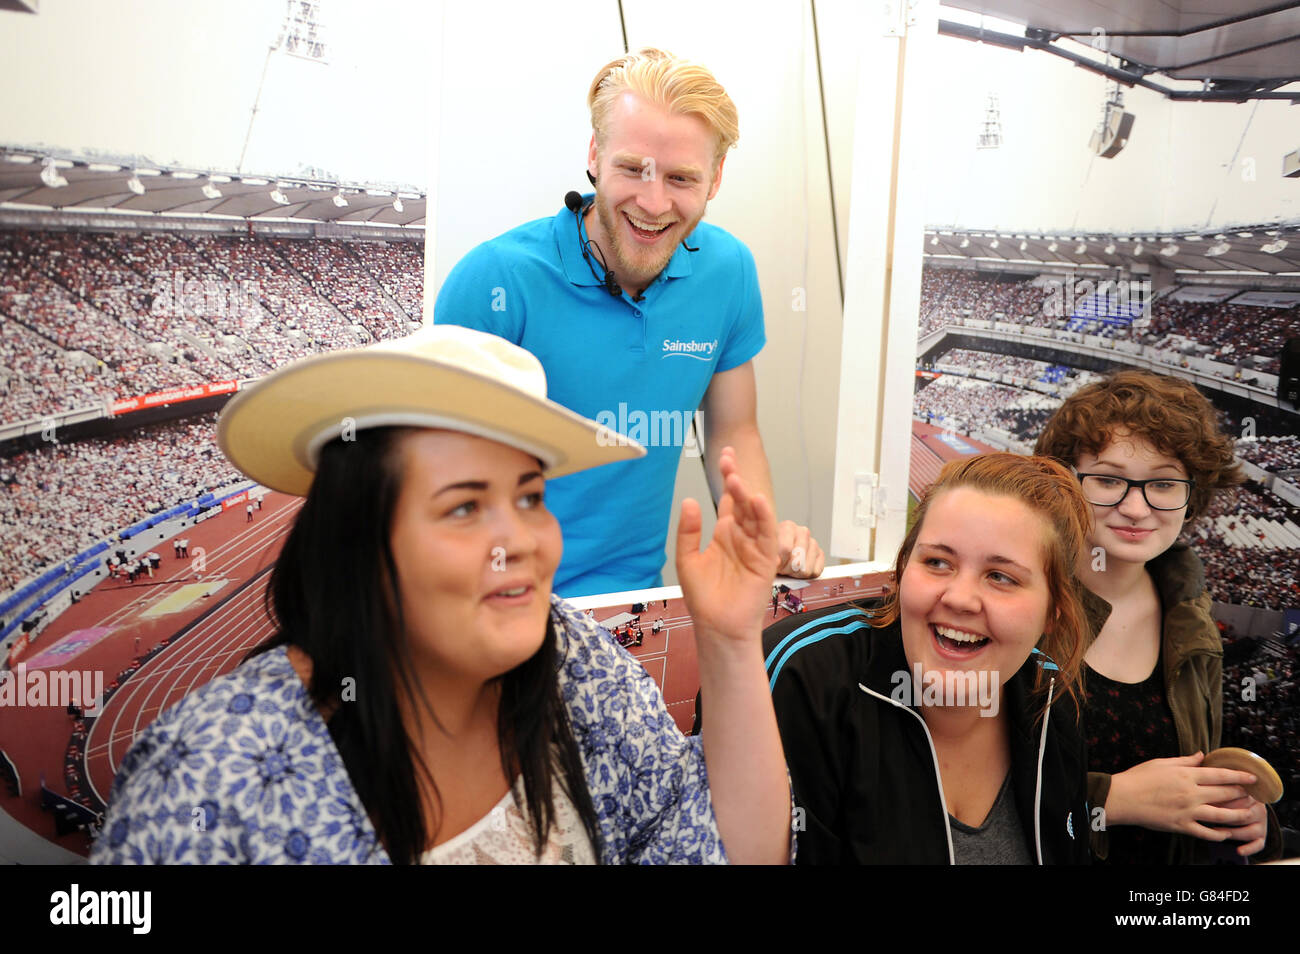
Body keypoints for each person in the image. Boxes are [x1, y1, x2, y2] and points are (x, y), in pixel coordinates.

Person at [91, 325, 791, 865]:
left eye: (529, 497)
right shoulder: (211, 771)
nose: (518, 540)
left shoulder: (574, 664)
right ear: (361, 538)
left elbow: (717, 847)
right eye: (464, 507)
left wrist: (729, 641)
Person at [433, 47, 823, 597]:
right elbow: (440, 475)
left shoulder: (730, 271)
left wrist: (757, 531)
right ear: (595, 154)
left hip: (633, 605)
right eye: (632, 168)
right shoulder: (494, 279)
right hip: (492, 600)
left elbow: (732, 430)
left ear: (715, 179)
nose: (653, 201)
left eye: (682, 177)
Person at [750, 453, 1095, 863]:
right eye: (937, 562)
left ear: (1053, 611)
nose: (959, 598)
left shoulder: (1050, 696)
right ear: (902, 570)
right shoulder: (803, 675)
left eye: (1001, 577)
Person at [1035, 370, 1280, 863]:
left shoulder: (1190, 614)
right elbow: (959, 794)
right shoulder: (1019, 605)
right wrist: (1112, 801)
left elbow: (1195, 767)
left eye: (1163, 484)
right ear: (1065, 481)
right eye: (1107, 479)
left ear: (1193, 497)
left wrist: (1238, 810)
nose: (1135, 507)